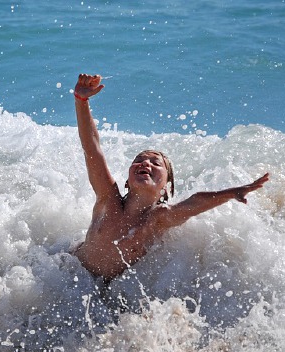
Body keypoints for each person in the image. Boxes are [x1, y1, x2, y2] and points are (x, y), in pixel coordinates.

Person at [71, 73, 269, 283]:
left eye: (156, 163)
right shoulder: (108, 198)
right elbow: (92, 148)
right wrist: (81, 100)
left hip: (103, 291)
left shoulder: (156, 219)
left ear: (165, 188)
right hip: (70, 274)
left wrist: (230, 193)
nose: (146, 163)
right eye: (139, 160)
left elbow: (194, 203)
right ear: (127, 182)